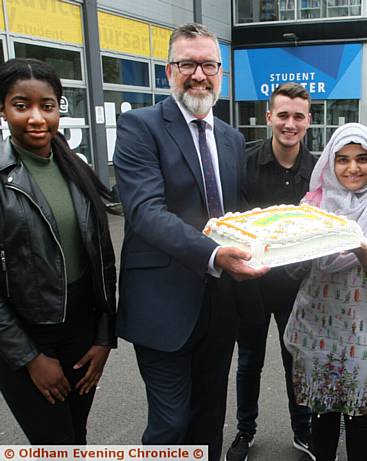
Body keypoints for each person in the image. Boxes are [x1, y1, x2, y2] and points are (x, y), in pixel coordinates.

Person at [113, 23, 268, 461]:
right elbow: (145, 213)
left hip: (219, 306)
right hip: (163, 307)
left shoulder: (231, 137)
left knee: (208, 418)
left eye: (208, 65)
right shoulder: (139, 127)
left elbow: (236, 215)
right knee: (170, 424)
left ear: (221, 72)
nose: (198, 75)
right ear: (169, 71)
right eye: (187, 64)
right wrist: (215, 254)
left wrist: (272, 241)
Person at [0, 58, 117, 443]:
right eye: (22, 105)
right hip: (26, 339)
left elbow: (102, 259)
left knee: (76, 437)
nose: (36, 118)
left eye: (47, 106)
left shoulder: (76, 169)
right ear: (3, 109)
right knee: (55, 444)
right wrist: (30, 358)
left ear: (58, 110)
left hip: (82, 334)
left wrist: (103, 337)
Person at [284, 123, 367, 461]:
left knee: (360, 411)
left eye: (362, 159)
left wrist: (358, 247)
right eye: (342, 160)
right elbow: (294, 269)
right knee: (322, 411)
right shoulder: (313, 204)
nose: (353, 168)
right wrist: (287, 246)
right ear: (330, 162)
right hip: (317, 324)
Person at [225, 83, 315, 461]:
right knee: (249, 362)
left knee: (298, 362)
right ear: (269, 118)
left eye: (298, 116)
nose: (289, 124)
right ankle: (245, 431)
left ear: (308, 121)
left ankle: (303, 432)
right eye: (283, 115)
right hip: (251, 282)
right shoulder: (243, 162)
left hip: (299, 285)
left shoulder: (318, 169)